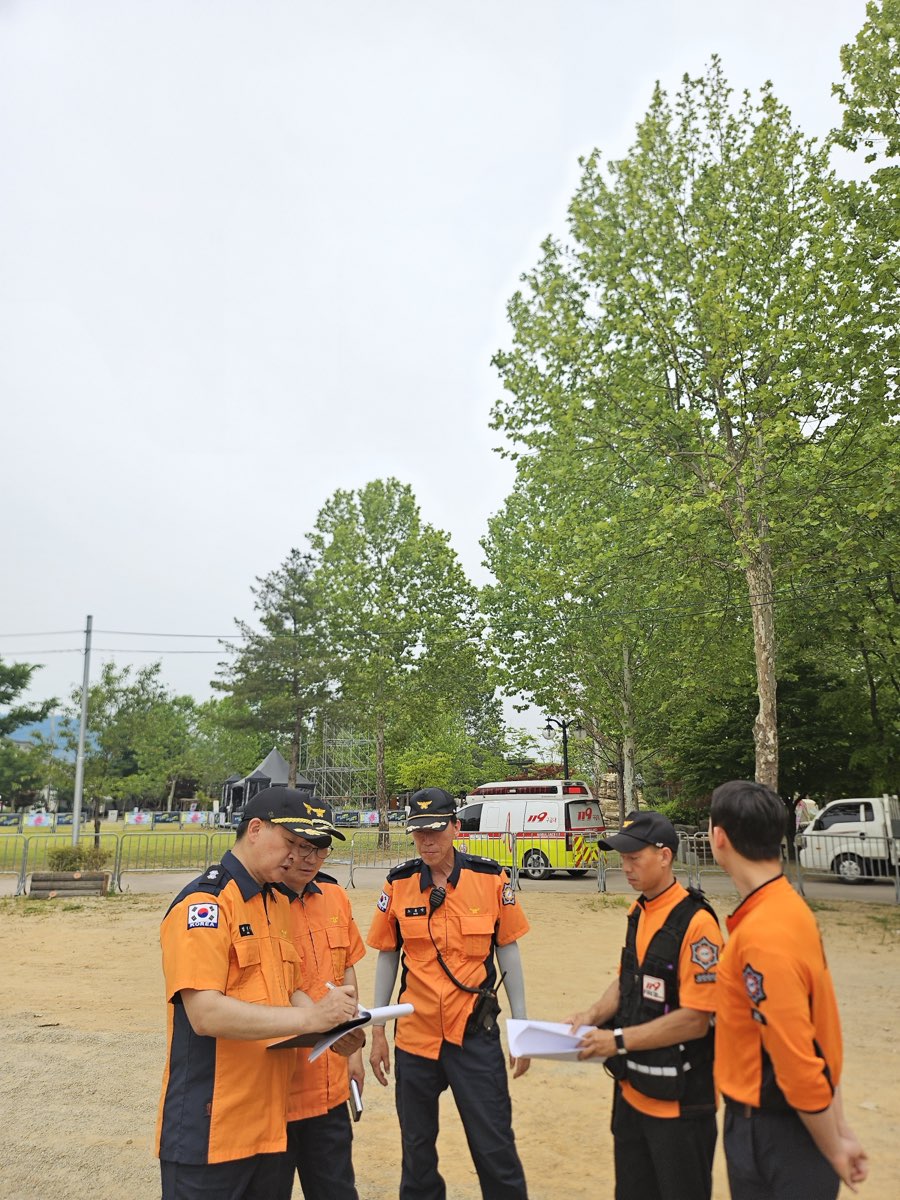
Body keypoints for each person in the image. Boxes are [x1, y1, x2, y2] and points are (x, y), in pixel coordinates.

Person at [156, 787, 362, 1200]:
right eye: (290, 842)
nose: (297, 856)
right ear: (254, 829)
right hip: (213, 1124)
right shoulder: (206, 904)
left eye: (307, 847)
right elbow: (205, 1013)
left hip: (270, 1125)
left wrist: (333, 1027)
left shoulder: (275, 903)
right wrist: (311, 1018)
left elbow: (290, 989)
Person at [367, 786, 531, 1200]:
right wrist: (377, 1029)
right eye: (418, 832)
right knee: (417, 1153)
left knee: (495, 1147)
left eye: (436, 830)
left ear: (456, 828)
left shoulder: (490, 879)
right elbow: (388, 955)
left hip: (473, 1035)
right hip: (415, 1038)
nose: (427, 840)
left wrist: (522, 1026)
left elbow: (508, 949)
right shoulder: (399, 883)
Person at [709, 779, 869, 1199]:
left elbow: (796, 1060)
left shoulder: (765, 933)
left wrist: (834, 1147)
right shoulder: (785, 908)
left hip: (777, 1132)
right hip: (786, 1123)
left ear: (718, 837)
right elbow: (818, 1035)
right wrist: (838, 1128)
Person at [567, 809, 721, 1200]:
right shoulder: (639, 911)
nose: (626, 868)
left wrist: (616, 1040)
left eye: (635, 858)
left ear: (665, 855)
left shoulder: (697, 923)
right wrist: (592, 1015)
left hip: (680, 1105)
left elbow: (696, 1019)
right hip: (632, 1092)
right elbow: (627, 981)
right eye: (623, 858)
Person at [283, 810, 367, 1200]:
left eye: (321, 849)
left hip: (330, 1087)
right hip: (279, 1088)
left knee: (336, 1190)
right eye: (302, 847)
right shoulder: (259, 903)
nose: (311, 859)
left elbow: (346, 970)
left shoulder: (334, 896)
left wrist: (354, 1052)